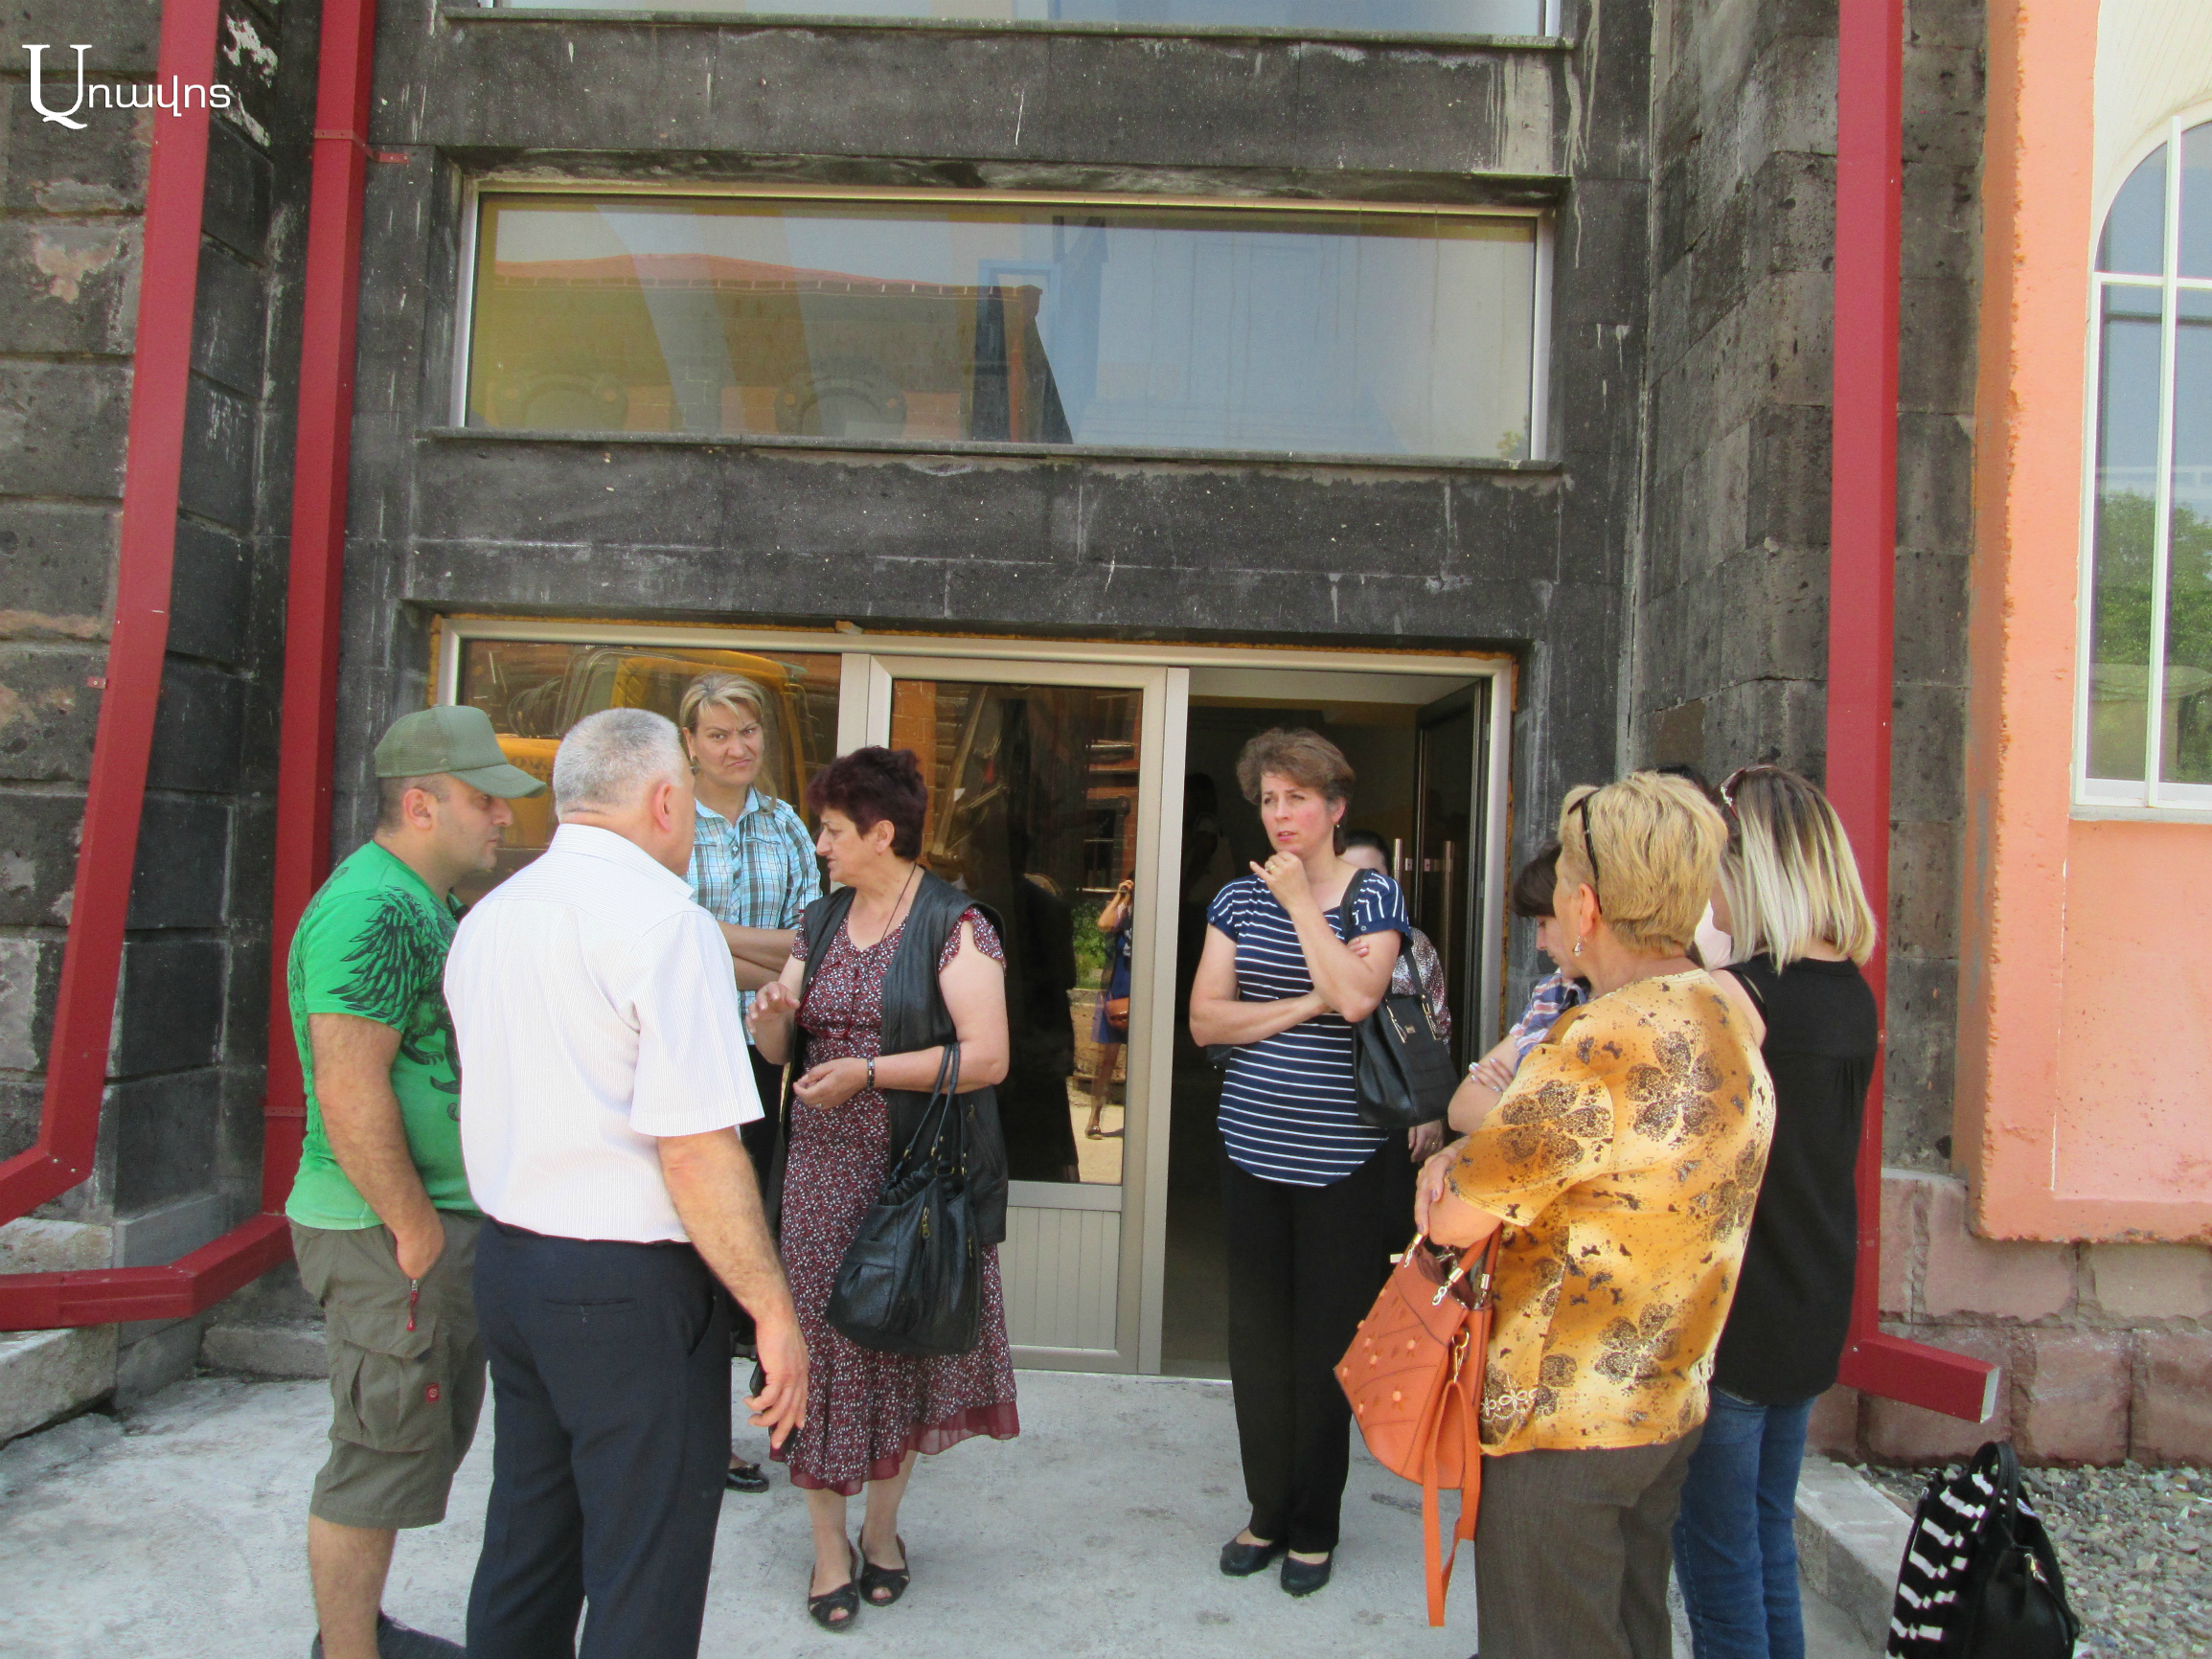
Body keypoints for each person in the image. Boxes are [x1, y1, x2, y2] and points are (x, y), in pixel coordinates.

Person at [445, 708, 809, 1659]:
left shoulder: (490, 916)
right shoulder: (665, 925)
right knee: (646, 1563)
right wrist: (771, 1310)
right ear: (664, 800)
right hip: (626, 1287)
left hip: (510, 1266)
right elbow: (695, 1150)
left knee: (528, 1539)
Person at [1416, 771, 1775, 1659]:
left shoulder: (1601, 1037)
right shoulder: (1725, 1012)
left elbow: (1457, 1220)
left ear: (1585, 906)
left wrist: (1446, 1163)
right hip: (1666, 1397)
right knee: (1631, 1627)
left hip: (1562, 1414)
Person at [282, 705, 546, 1659]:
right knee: (377, 1456)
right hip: (385, 1232)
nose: (503, 817)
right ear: (421, 804)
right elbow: (347, 1084)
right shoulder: (373, 905)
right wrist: (414, 1227)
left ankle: (359, 1632)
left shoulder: (419, 900)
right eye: (485, 800)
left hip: (416, 1227)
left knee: (403, 1451)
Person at [747, 745, 1020, 1631]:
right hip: (817, 1177)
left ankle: (882, 1530)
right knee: (816, 1360)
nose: (820, 845)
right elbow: (783, 1053)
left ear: (881, 833)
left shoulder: (956, 924)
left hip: (912, 1180)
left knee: (894, 1354)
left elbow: (987, 1057)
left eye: (832, 830)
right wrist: (774, 1022)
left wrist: (867, 1072)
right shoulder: (820, 919)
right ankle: (830, 1549)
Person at [1188, 728, 1409, 1598]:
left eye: (1298, 799)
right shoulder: (1236, 901)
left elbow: (1359, 1000)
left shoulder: (1372, 894)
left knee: (1324, 1347)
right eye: (1269, 800)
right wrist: (1307, 999)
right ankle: (1266, 1512)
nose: (1280, 815)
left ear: (1335, 807)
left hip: (1343, 1163)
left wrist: (1300, 907)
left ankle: (1315, 1526)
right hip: (1251, 1148)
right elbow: (1206, 1020)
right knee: (1256, 1343)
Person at [1672, 765, 1880, 1659]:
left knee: (1717, 1566)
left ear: (1748, 869)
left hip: (1737, 1304)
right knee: (1765, 1543)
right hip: (1811, 1288)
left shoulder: (1735, 995)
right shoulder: (1849, 991)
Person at [677, 670, 823, 1494]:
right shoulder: (668, 820)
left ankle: (771, 1403)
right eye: (718, 734)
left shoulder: (788, 825)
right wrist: (761, 950)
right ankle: (703, 1432)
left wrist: (710, 936)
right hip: (685, 1052)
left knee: (756, 1230)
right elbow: (662, 940)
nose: (737, 748)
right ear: (690, 744)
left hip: (767, 1053)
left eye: (748, 732)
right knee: (692, 1238)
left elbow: (813, 941)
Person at [1454, 841, 1589, 1125]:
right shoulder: (1553, 992)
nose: (1539, 944)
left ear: (1583, 911)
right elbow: (1460, 1108)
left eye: (1544, 923)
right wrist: (1529, 1109)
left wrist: (1512, 1095)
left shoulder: (1634, 1002)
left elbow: (1578, 1131)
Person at [1339, 830, 1449, 1170]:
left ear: (1391, 881)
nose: (1362, 890)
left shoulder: (1414, 944)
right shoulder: (1310, 940)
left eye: (1372, 878)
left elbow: (1438, 1027)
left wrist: (1430, 1111)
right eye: (1349, 878)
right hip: (1326, 1109)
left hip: (1399, 1109)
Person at [1085, 875, 1134, 1140]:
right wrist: (1121, 895)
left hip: (1142, 989)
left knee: (1141, 1060)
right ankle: (1094, 1118)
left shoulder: (1154, 913)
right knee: (1107, 1059)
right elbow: (1103, 923)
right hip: (1119, 986)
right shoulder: (1124, 912)